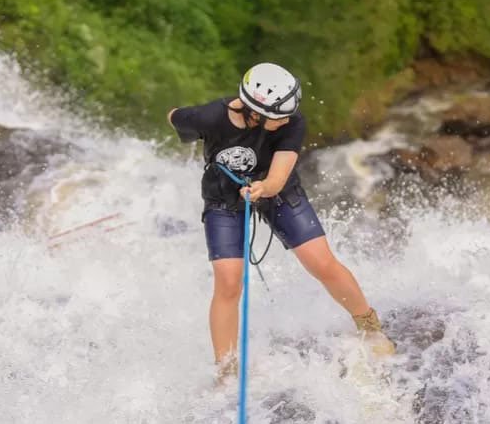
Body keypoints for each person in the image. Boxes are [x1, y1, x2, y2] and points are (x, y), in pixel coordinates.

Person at [168, 63, 395, 378]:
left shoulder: (292, 123)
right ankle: (227, 369)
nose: (286, 120)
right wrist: (191, 127)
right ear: (253, 112)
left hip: (277, 191)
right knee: (229, 282)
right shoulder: (210, 117)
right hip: (223, 200)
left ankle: (370, 327)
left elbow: (277, 176)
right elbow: (176, 116)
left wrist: (263, 188)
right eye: (279, 116)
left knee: (321, 263)